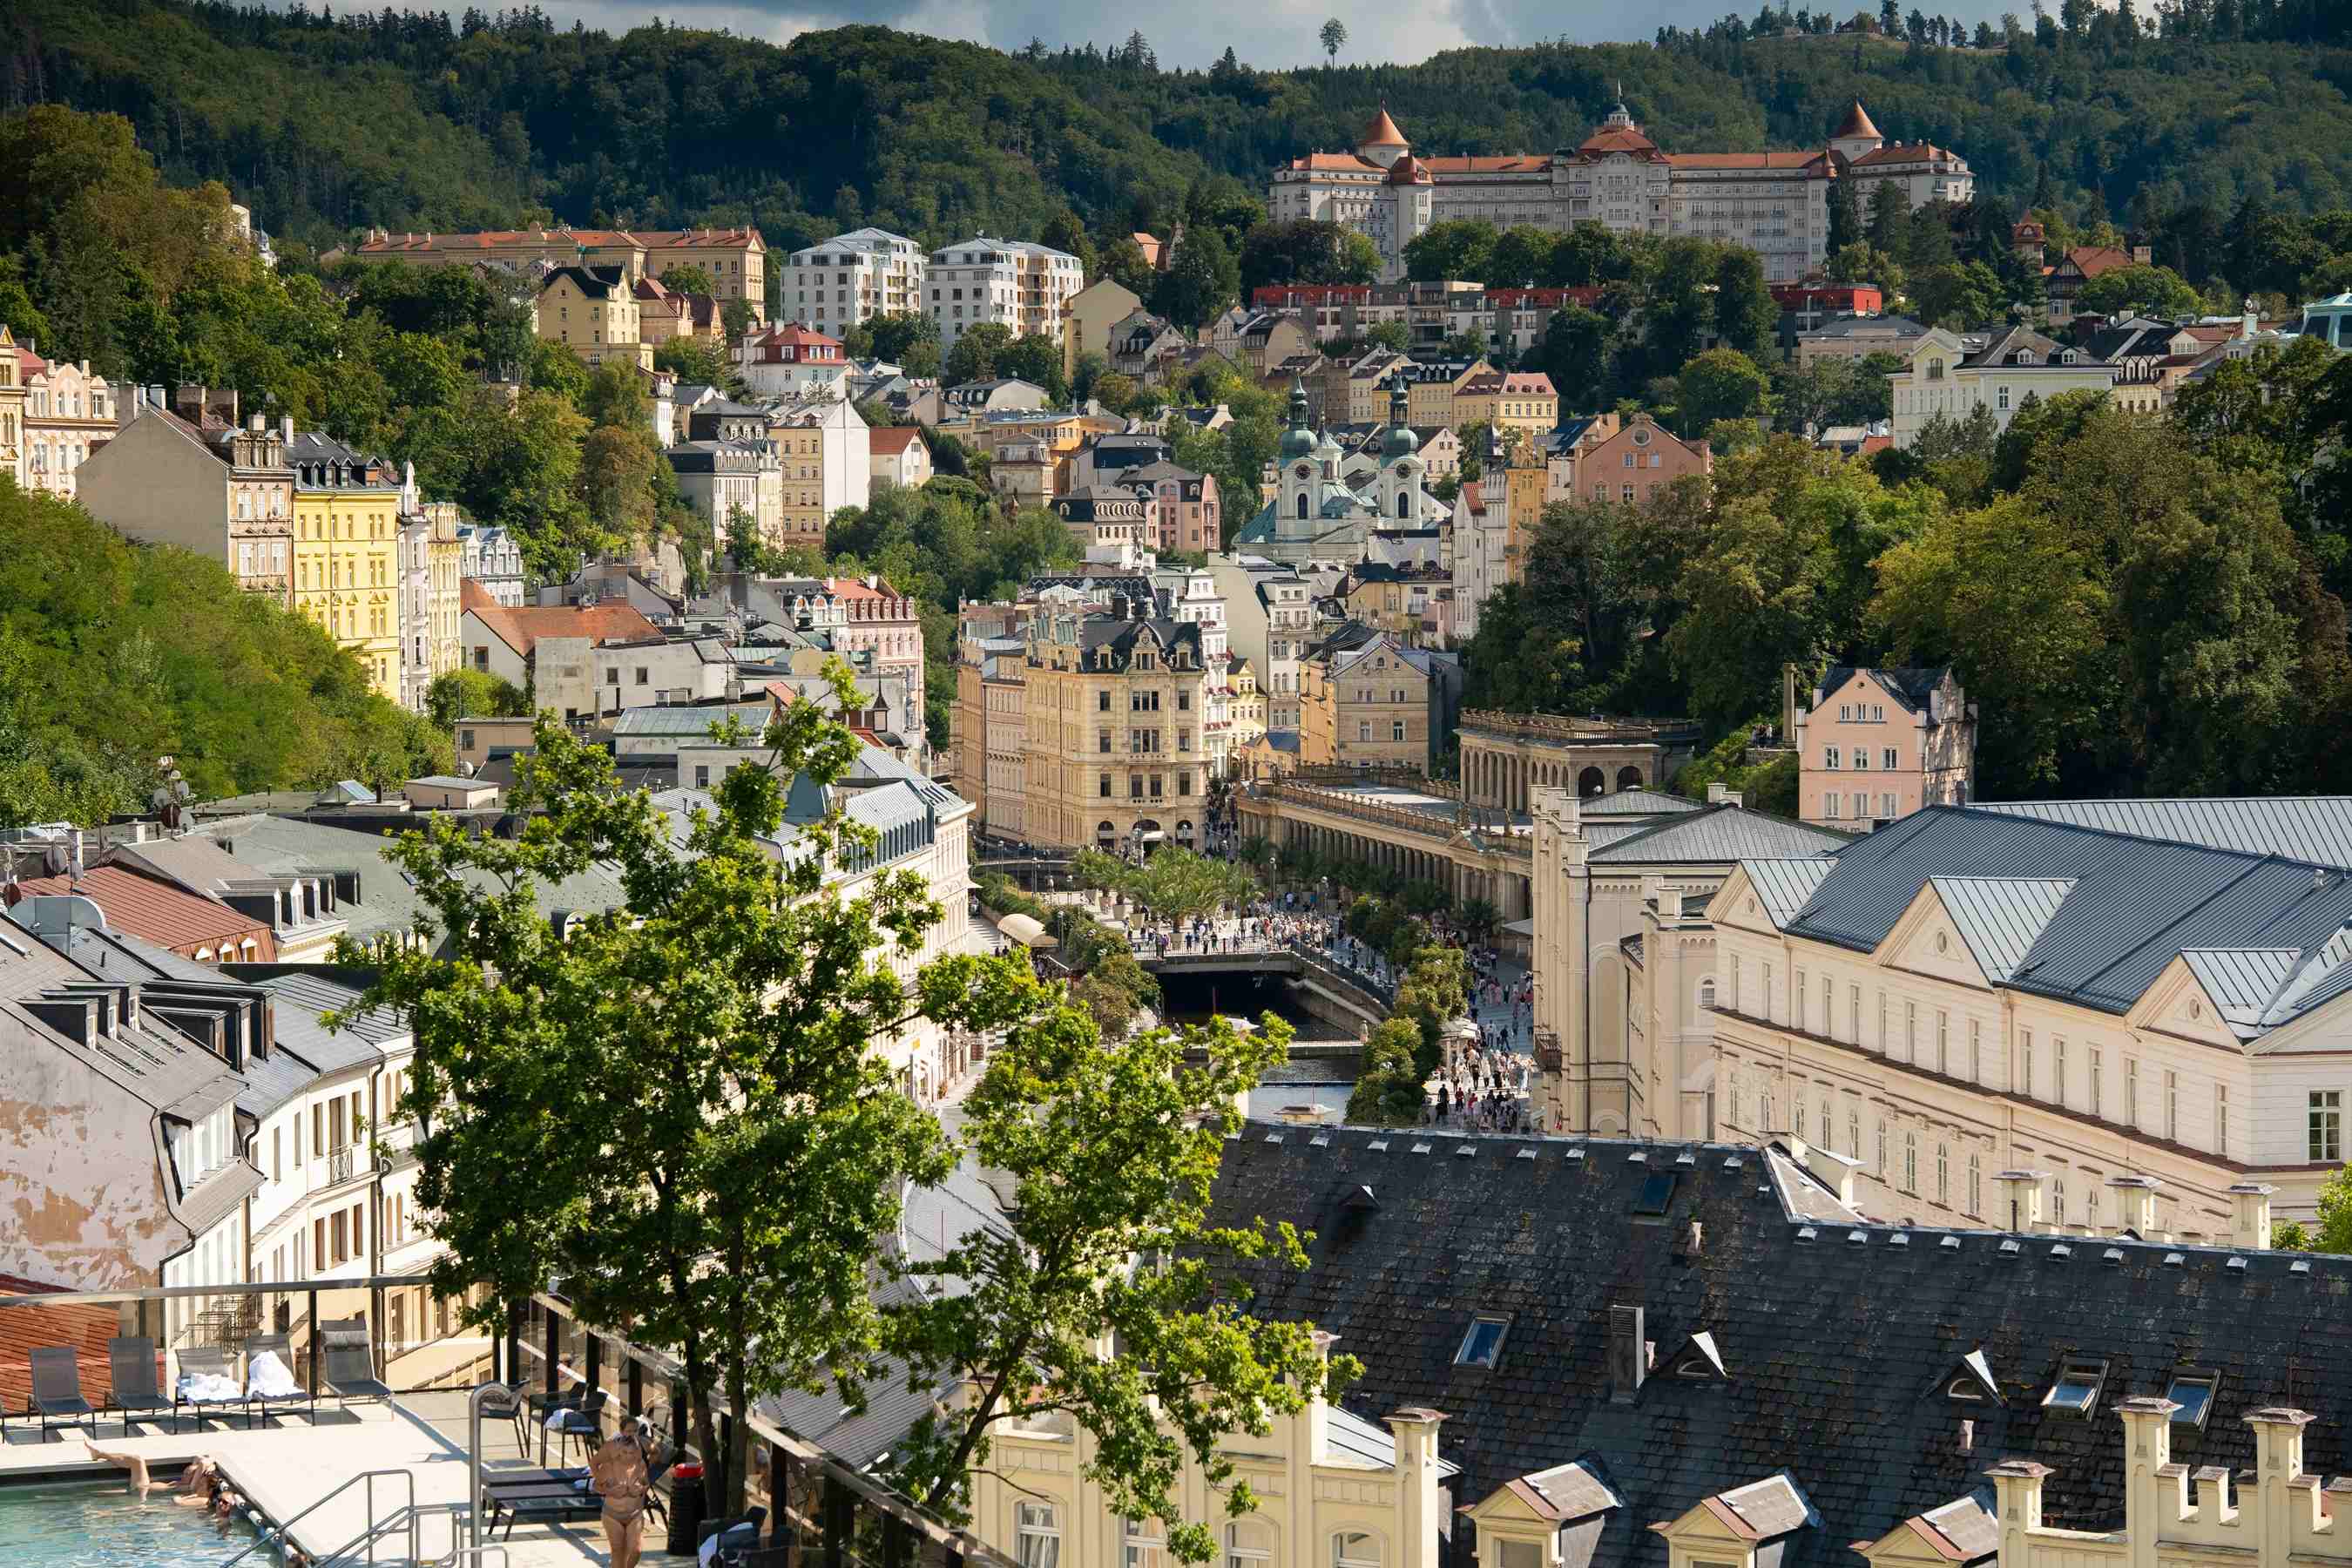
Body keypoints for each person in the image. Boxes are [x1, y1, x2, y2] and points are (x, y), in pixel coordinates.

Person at [591, 1415, 657, 1568]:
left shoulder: (641, 1464)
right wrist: (610, 1491)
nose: (628, 1456)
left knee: (636, 1550)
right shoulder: (609, 1463)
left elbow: (646, 1484)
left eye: (632, 1453)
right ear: (620, 1452)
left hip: (635, 1513)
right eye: (625, 1453)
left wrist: (641, 1489)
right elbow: (595, 1484)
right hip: (613, 1514)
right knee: (618, 1552)